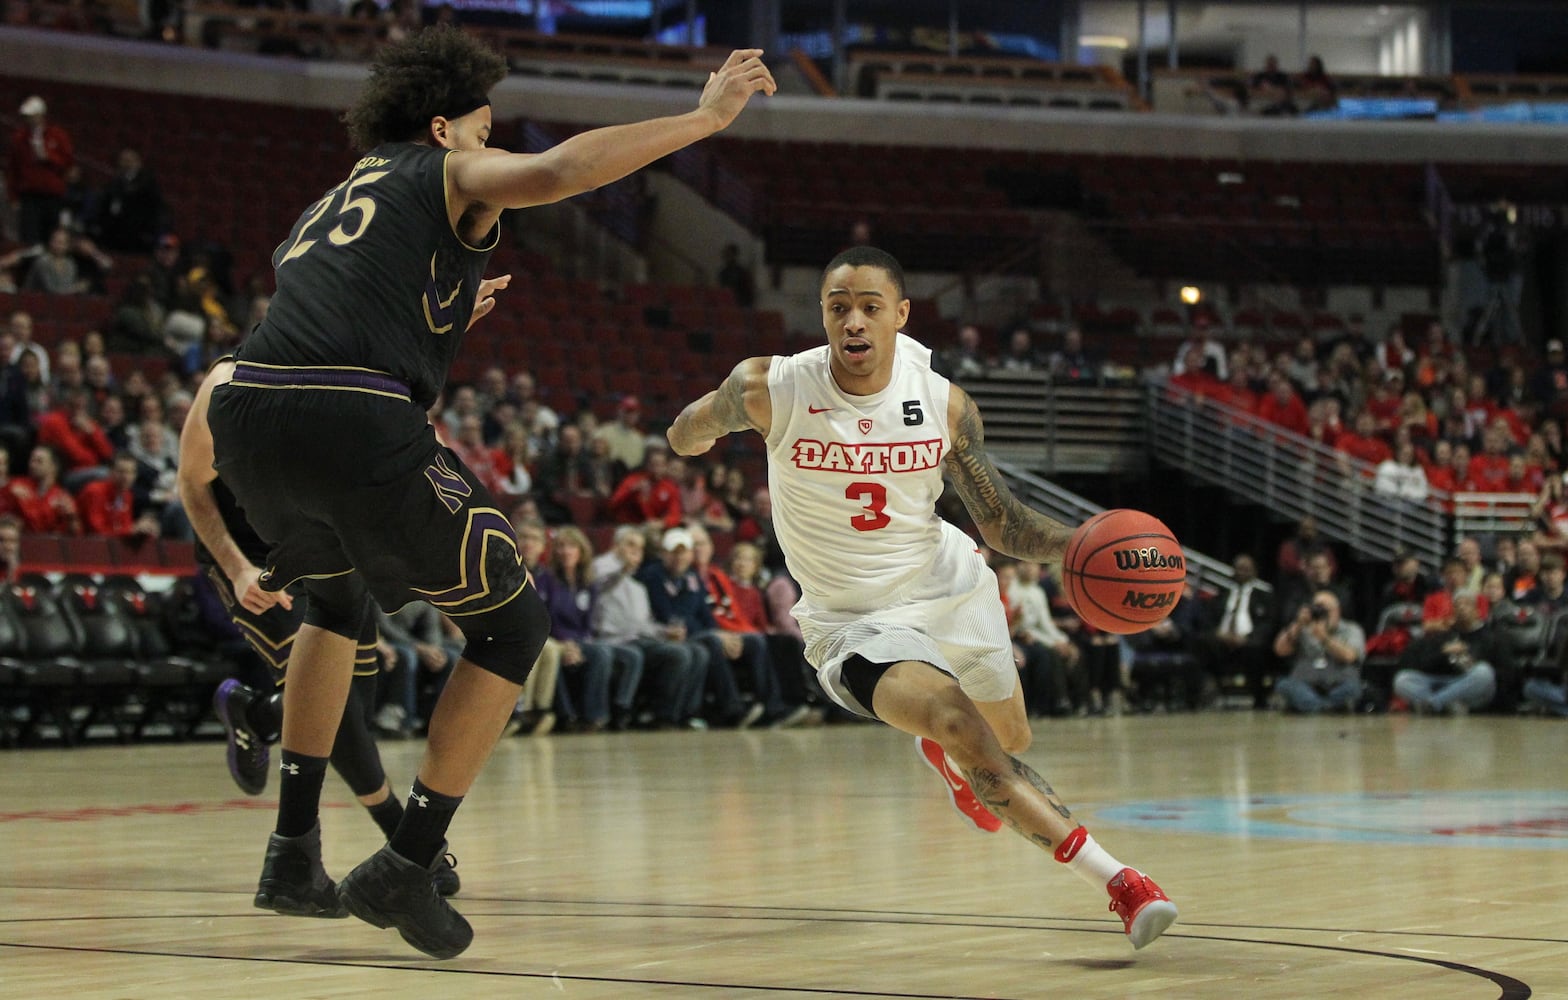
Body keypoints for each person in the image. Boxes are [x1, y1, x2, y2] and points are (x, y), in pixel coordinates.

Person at [202, 27, 775, 959]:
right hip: (347, 413)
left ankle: (292, 851)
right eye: (482, 126)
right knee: (514, 627)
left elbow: (325, 298)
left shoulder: (331, 201)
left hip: (248, 413)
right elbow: (555, 173)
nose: (489, 141)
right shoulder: (446, 167)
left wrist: (437, 311)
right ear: (442, 128)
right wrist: (704, 119)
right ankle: (406, 861)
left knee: (336, 604)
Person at [665, 245, 1177, 950]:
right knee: (960, 724)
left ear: (899, 316)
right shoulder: (771, 387)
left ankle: (946, 756)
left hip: (950, 584)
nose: (853, 320)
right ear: (822, 315)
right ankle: (1121, 882)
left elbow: (1001, 523)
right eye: (837, 306)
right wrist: (698, 428)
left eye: (870, 307)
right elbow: (684, 432)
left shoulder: (943, 404)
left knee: (1009, 741)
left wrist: (1085, 547)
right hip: (855, 623)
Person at [179, 358, 461, 898]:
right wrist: (237, 571)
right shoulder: (226, 385)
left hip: (319, 547)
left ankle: (258, 712)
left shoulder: (353, 388)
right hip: (248, 559)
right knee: (338, 713)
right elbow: (191, 484)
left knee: (359, 692)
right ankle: (401, 837)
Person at [1393, 589, 1510, 715]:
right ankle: (1446, 705)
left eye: (1466, 604)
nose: (1462, 608)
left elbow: (1505, 671)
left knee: (1484, 672)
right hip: (1445, 682)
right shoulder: (1445, 635)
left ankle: (1433, 704)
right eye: (1458, 605)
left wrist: (1471, 658)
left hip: (1471, 687)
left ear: (1477, 611)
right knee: (1403, 680)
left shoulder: (1491, 636)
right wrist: (1443, 652)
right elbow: (1425, 664)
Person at [1271, 590, 1364, 713]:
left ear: (1337, 611)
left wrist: (1325, 638)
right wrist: (1298, 624)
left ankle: (1314, 706)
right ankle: (1326, 707)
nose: (1322, 614)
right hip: (1306, 684)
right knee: (1283, 684)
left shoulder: (1351, 629)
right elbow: (1280, 650)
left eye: (1326, 610)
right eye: (1317, 609)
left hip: (1339, 683)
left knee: (1353, 688)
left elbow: (1349, 656)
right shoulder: (1302, 629)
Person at [6, 96, 74, 246]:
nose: (29, 120)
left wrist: (48, 156)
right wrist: (13, 197)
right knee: (30, 238)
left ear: (41, 115)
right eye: (27, 117)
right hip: (29, 196)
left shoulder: (57, 135)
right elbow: (13, 169)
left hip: (52, 196)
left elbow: (67, 163)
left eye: (32, 116)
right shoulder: (19, 138)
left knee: (51, 236)